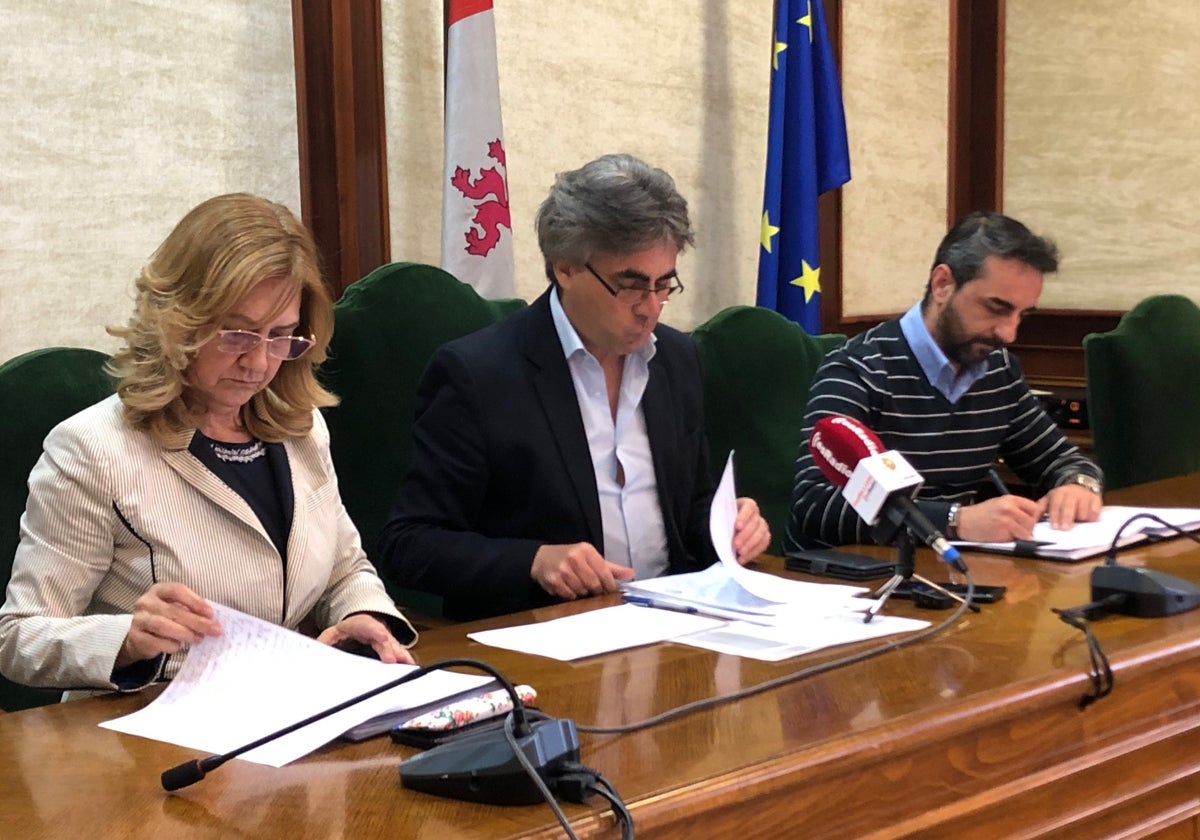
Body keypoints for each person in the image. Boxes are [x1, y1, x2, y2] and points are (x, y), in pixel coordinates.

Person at [0, 193, 416, 698]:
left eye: (281, 336)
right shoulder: (92, 451)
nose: (260, 363)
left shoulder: (300, 429)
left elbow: (345, 569)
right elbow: (19, 635)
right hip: (144, 735)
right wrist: (126, 641)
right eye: (238, 334)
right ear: (179, 321)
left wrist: (363, 614)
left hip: (281, 716)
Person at [380, 153, 771, 621]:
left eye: (664, 284)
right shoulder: (479, 374)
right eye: (630, 285)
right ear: (564, 267)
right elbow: (409, 545)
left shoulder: (675, 359)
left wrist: (729, 524)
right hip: (549, 638)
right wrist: (533, 561)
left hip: (676, 625)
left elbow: (688, 510)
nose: (651, 308)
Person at [785, 211, 1104, 552]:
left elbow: (1063, 460)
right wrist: (955, 520)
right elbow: (814, 505)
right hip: (843, 582)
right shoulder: (860, 370)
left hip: (948, 574)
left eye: (1021, 315)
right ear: (942, 284)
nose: (1008, 333)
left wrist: (1078, 485)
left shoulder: (997, 370)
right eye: (996, 307)